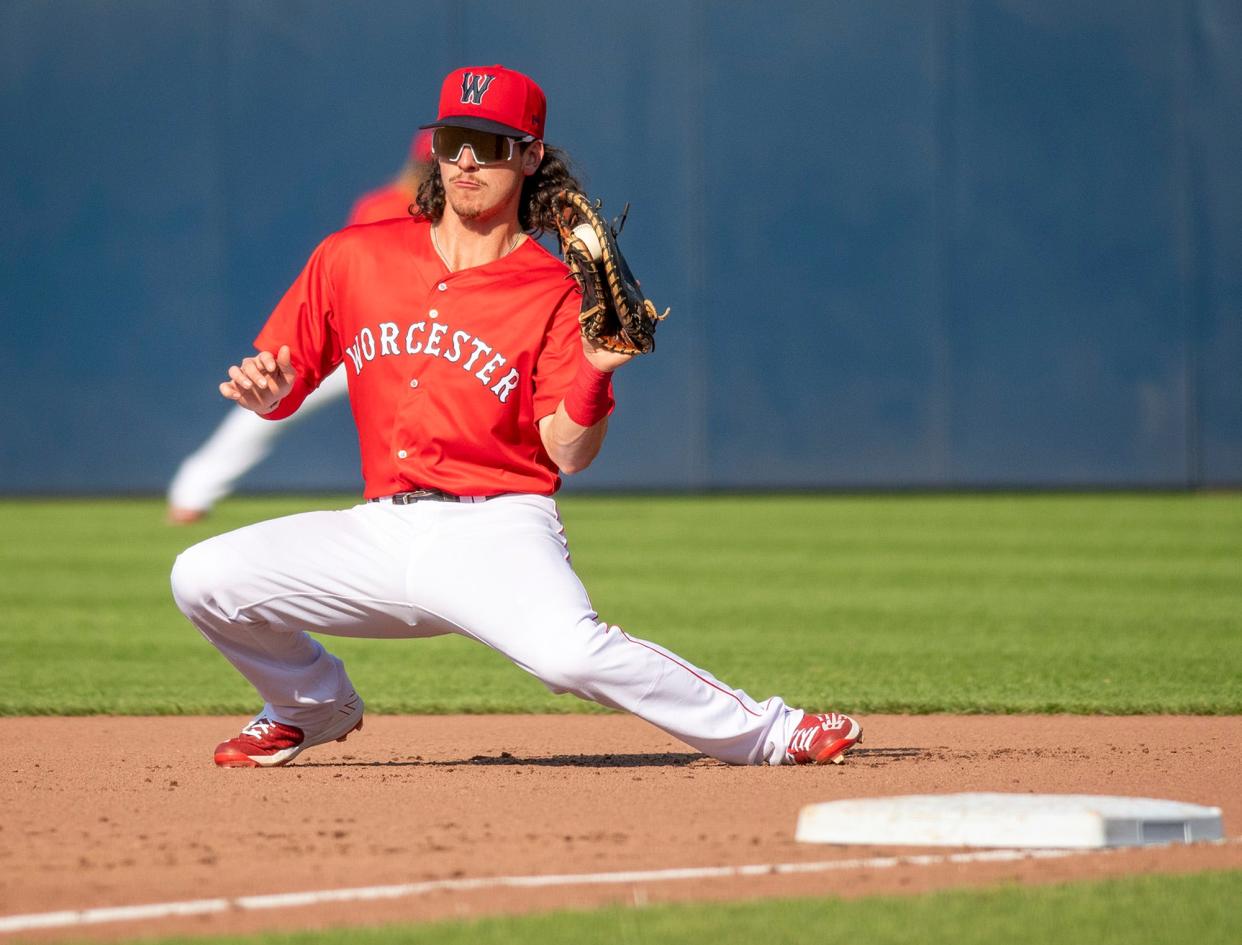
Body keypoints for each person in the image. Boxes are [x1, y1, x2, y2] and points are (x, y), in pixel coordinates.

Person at [170, 64, 862, 768]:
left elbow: (567, 452)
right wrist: (268, 393)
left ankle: (774, 730)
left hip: (496, 527)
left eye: (491, 144)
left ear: (531, 157)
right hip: (379, 528)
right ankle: (309, 703)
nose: (467, 160)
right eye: (453, 139)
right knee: (202, 575)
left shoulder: (556, 289)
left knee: (570, 656)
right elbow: (286, 381)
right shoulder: (353, 256)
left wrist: (594, 368)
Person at [165, 131, 436, 524]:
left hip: (429, 343)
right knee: (270, 396)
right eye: (429, 165)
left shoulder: (449, 219)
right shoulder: (382, 207)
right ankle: (193, 490)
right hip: (365, 341)